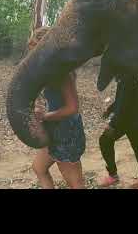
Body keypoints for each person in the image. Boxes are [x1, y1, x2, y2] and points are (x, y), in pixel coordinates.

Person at [30, 27, 86, 189]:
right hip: (55, 130)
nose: (33, 56)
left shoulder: (62, 72)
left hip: (66, 133)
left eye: (36, 50)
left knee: (76, 184)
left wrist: (45, 116)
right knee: (39, 168)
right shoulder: (49, 70)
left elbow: (73, 107)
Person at [98, 74, 138, 189]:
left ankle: (113, 175)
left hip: (127, 121)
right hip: (134, 119)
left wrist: (111, 124)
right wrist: (110, 109)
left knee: (104, 141)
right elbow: (122, 99)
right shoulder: (130, 74)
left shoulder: (127, 77)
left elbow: (123, 105)